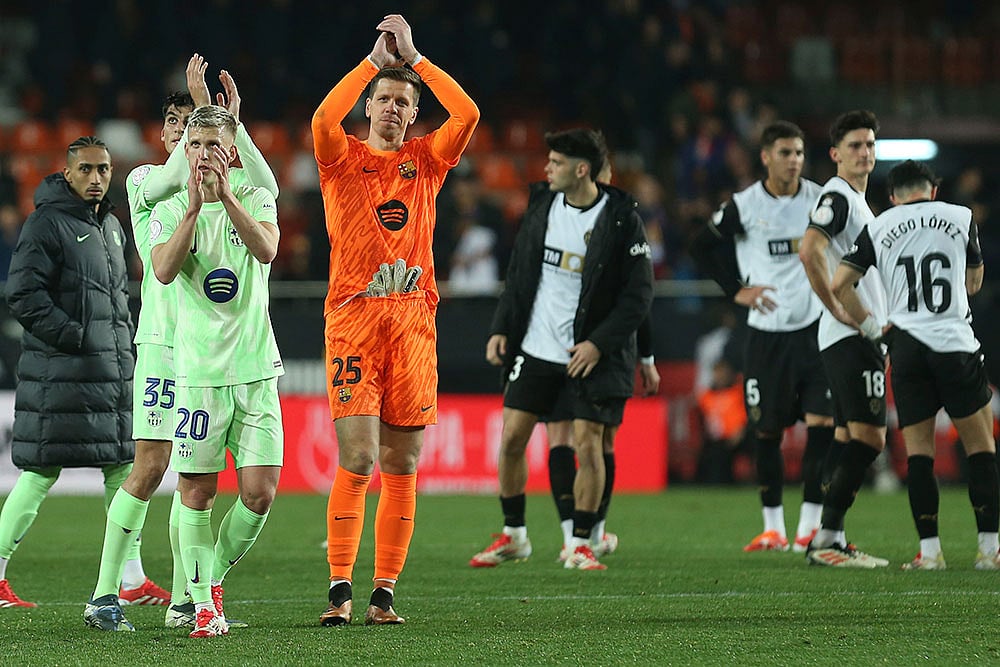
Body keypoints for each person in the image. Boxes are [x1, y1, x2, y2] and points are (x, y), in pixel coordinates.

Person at [84, 55, 280, 631]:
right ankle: (105, 592)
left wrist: (226, 128)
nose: (182, 136)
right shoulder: (149, 183)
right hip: (166, 348)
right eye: (176, 128)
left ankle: (187, 596)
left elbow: (258, 196)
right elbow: (163, 264)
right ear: (166, 136)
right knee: (151, 468)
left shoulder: (239, 183)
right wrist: (208, 132)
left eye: (190, 128)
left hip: (221, 351)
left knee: (207, 481)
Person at [312, 14, 479, 626]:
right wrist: (373, 62)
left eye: (401, 102)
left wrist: (416, 58)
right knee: (357, 457)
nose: (390, 108)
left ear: (412, 112)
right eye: (382, 98)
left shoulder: (427, 162)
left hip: (413, 322)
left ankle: (382, 592)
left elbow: (467, 116)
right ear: (369, 104)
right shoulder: (340, 158)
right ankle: (338, 590)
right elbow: (322, 120)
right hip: (354, 319)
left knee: (402, 463)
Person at [469, 127, 653, 571]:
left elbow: (639, 295)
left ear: (581, 169)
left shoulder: (621, 216)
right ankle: (515, 535)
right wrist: (502, 328)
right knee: (512, 439)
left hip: (589, 354)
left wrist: (598, 343)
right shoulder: (542, 206)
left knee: (588, 446)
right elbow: (519, 272)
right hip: (535, 348)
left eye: (555, 163)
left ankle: (582, 541)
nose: (547, 169)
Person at [149, 104, 283, 638]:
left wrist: (225, 198)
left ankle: (211, 576)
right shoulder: (167, 204)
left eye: (213, 146)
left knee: (260, 494)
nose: (204, 155)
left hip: (254, 370)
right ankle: (202, 603)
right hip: (199, 377)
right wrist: (191, 210)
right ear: (186, 150)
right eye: (195, 145)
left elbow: (268, 249)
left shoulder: (253, 194)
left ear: (231, 150)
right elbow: (162, 270)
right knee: (197, 493)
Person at [831, 160, 999, 571]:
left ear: (893, 196)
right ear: (933, 191)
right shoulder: (961, 217)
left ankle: (930, 553)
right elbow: (973, 284)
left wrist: (873, 328)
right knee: (981, 449)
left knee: (920, 456)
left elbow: (840, 284)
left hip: (906, 346)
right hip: (954, 343)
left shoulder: (879, 225)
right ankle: (990, 551)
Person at [0, 137, 136, 610]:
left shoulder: (112, 227)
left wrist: (123, 345)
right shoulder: (46, 223)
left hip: (110, 374)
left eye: (104, 170)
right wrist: (75, 336)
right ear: (68, 173)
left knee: (124, 472)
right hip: (61, 373)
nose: (97, 179)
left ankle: (132, 579)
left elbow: (115, 300)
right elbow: (22, 294)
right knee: (39, 473)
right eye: (87, 171)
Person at [690, 120, 834, 553]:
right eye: (786, 153)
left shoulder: (821, 201)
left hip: (814, 330)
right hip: (767, 336)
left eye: (800, 153)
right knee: (767, 432)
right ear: (766, 157)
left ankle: (809, 525)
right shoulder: (745, 205)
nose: (794, 161)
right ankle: (774, 527)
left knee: (822, 426)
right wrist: (737, 290)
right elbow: (701, 244)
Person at [542, 160, 659, 562]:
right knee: (565, 434)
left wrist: (646, 356)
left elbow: (638, 299)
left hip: (608, 350)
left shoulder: (623, 224)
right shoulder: (557, 219)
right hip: (556, 344)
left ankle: (590, 532)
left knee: (598, 438)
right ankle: (574, 535)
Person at [797, 109, 889, 568]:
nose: (864, 153)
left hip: (850, 335)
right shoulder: (839, 196)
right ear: (835, 154)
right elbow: (809, 248)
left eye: (870, 144)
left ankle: (826, 535)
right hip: (851, 334)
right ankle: (827, 539)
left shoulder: (860, 203)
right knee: (871, 439)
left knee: (845, 435)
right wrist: (834, 306)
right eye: (855, 145)